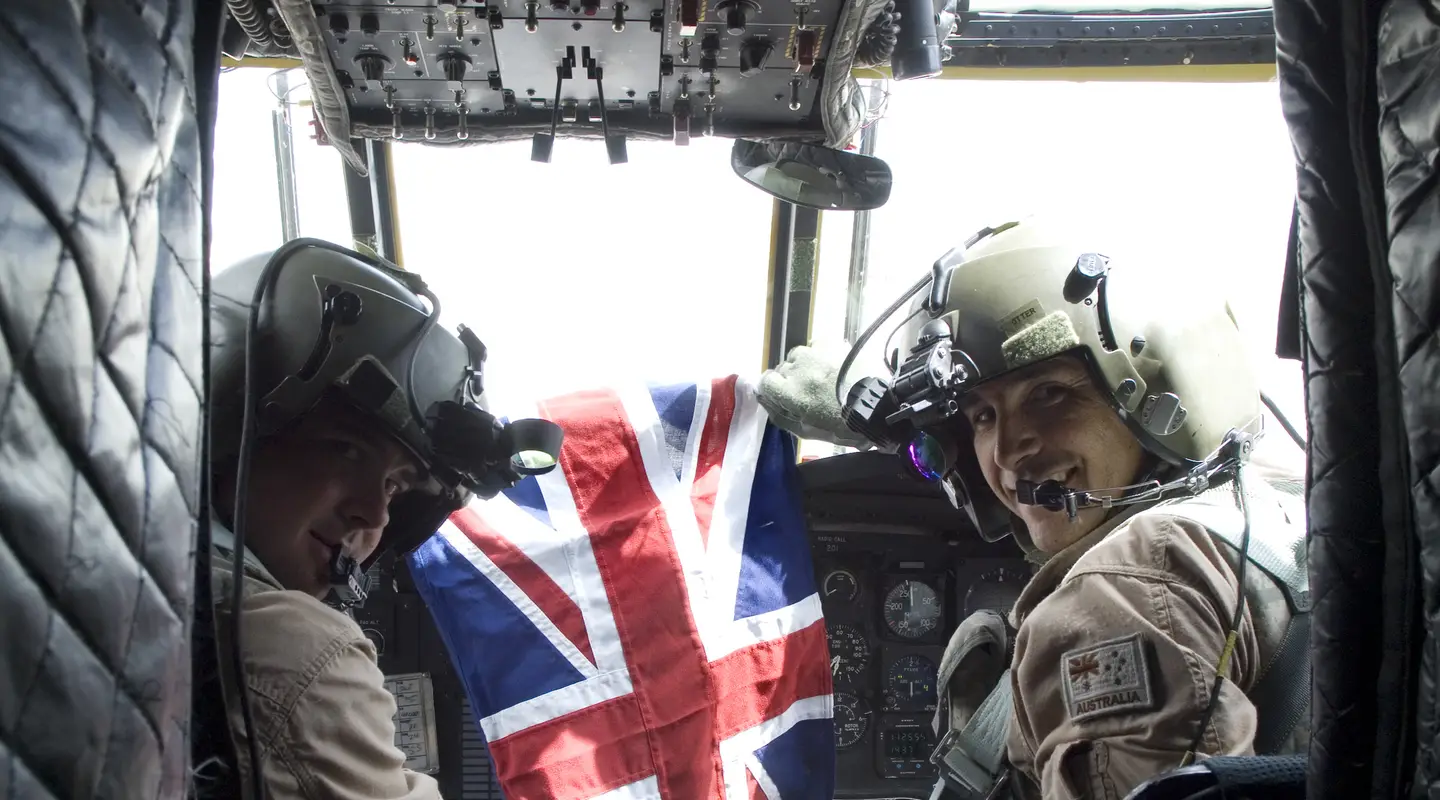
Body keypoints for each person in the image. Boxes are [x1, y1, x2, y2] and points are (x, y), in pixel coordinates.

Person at [831, 219, 1309, 799]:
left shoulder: (1122, 591)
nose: (1008, 451)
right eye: (983, 415)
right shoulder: (1273, 507)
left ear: (1158, 399)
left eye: (1050, 394)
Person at [199, 239, 560, 800]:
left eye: (395, 485)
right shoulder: (289, 646)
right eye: (344, 450)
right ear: (238, 424)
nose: (374, 511)